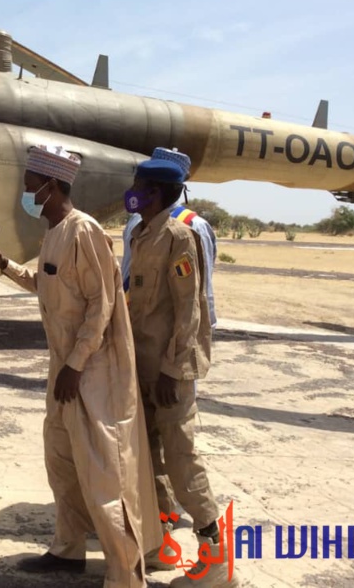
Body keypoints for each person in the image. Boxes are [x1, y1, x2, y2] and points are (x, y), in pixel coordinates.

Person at [0, 145, 160, 588]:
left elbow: (102, 303)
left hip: (94, 372)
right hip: (65, 368)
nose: (24, 191)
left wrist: (77, 364)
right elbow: (43, 282)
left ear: (51, 185)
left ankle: (125, 574)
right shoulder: (54, 231)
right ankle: (67, 550)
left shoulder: (85, 231)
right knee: (61, 461)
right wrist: (3, 263)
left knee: (105, 475)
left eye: (29, 185)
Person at [124, 159, 240, 588]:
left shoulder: (178, 237)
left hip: (170, 370)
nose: (131, 191)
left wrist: (175, 371)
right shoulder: (142, 234)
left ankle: (216, 558)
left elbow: (190, 309)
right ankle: (163, 544)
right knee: (147, 457)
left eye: (137, 185)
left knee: (181, 458)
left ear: (153, 192)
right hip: (143, 364)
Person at [121, 147, 217, 327]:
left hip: (167, 328)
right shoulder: (136, 221)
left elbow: (201, 288)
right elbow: (127, 268)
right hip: (132, 318)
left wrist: (205, 326)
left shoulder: (193, 226)